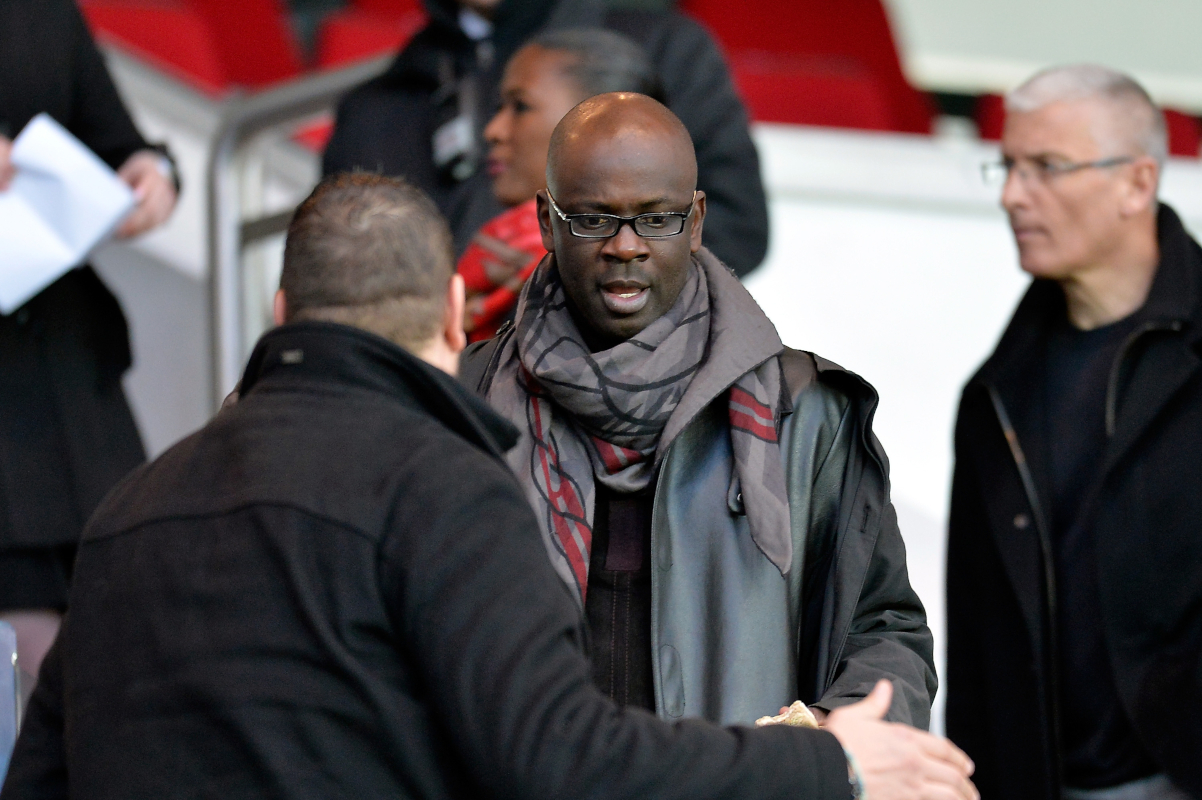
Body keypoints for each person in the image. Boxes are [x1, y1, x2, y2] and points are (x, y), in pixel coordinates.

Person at [0, 173, 978, 800]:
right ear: (456, 308)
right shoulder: (443, 485)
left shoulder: (129, 508)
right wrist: (830, 761)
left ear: (281, 308)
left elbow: (42, 776)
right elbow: (560, 756)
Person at [461, 93, 937, 734]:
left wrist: (830, 733)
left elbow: (885, 630)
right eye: (594, 220)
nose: (625, 247)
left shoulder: (806, 413)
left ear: (696, 220)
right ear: (547, 221)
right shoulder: (463, 401)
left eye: (656, 219)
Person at [945, 65, 1202, 800]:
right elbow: (981, 651)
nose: (1011, 195)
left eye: (1047, 168)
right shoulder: (996, 394)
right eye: (1009, 165)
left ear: (1136, 182)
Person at [0, 0, 179, 697]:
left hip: (70, 383)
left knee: (125, 627)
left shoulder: (40, 12)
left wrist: (150, 173)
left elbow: (120, 141)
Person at [322, 0, 770, 278]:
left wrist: (569, 268)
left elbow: (734, 227)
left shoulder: (666, 51)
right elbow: (338, 282)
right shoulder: (374, 108)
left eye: (520, 106)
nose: (497, 130)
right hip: (427, 405)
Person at [460, 27, 662, 341]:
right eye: (499, 108)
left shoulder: (609, 284)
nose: (494, 130)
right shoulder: (501, 250)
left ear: (600, 130)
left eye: (520, 107)